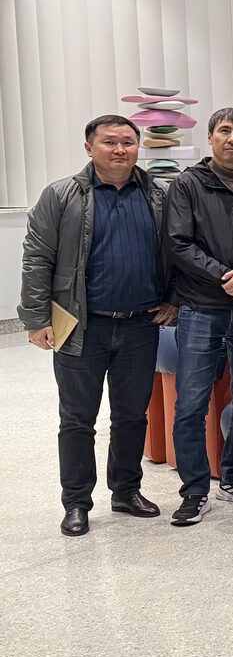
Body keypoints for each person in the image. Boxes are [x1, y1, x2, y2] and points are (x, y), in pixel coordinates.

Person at [20, 115, 177, 536]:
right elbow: (37, 257)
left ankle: (126, 490)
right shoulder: (61, 195)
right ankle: (76, 502)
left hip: (140, 325)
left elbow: (178, 251)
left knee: (131, 416)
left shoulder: (159, 195)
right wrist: (36, 318)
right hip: (80, 325)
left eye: (128, 142)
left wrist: (175, 300)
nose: (120, 149)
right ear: (89, 148)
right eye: (110, 142)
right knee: (77, 419)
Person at [162, 106, 233, 524]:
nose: (232, 138)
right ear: (210, 137)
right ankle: (193, 490)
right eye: (224, 130)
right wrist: (225, 276)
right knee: (191, 403)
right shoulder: (188, 184)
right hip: (201, 307)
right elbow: (178, 242)